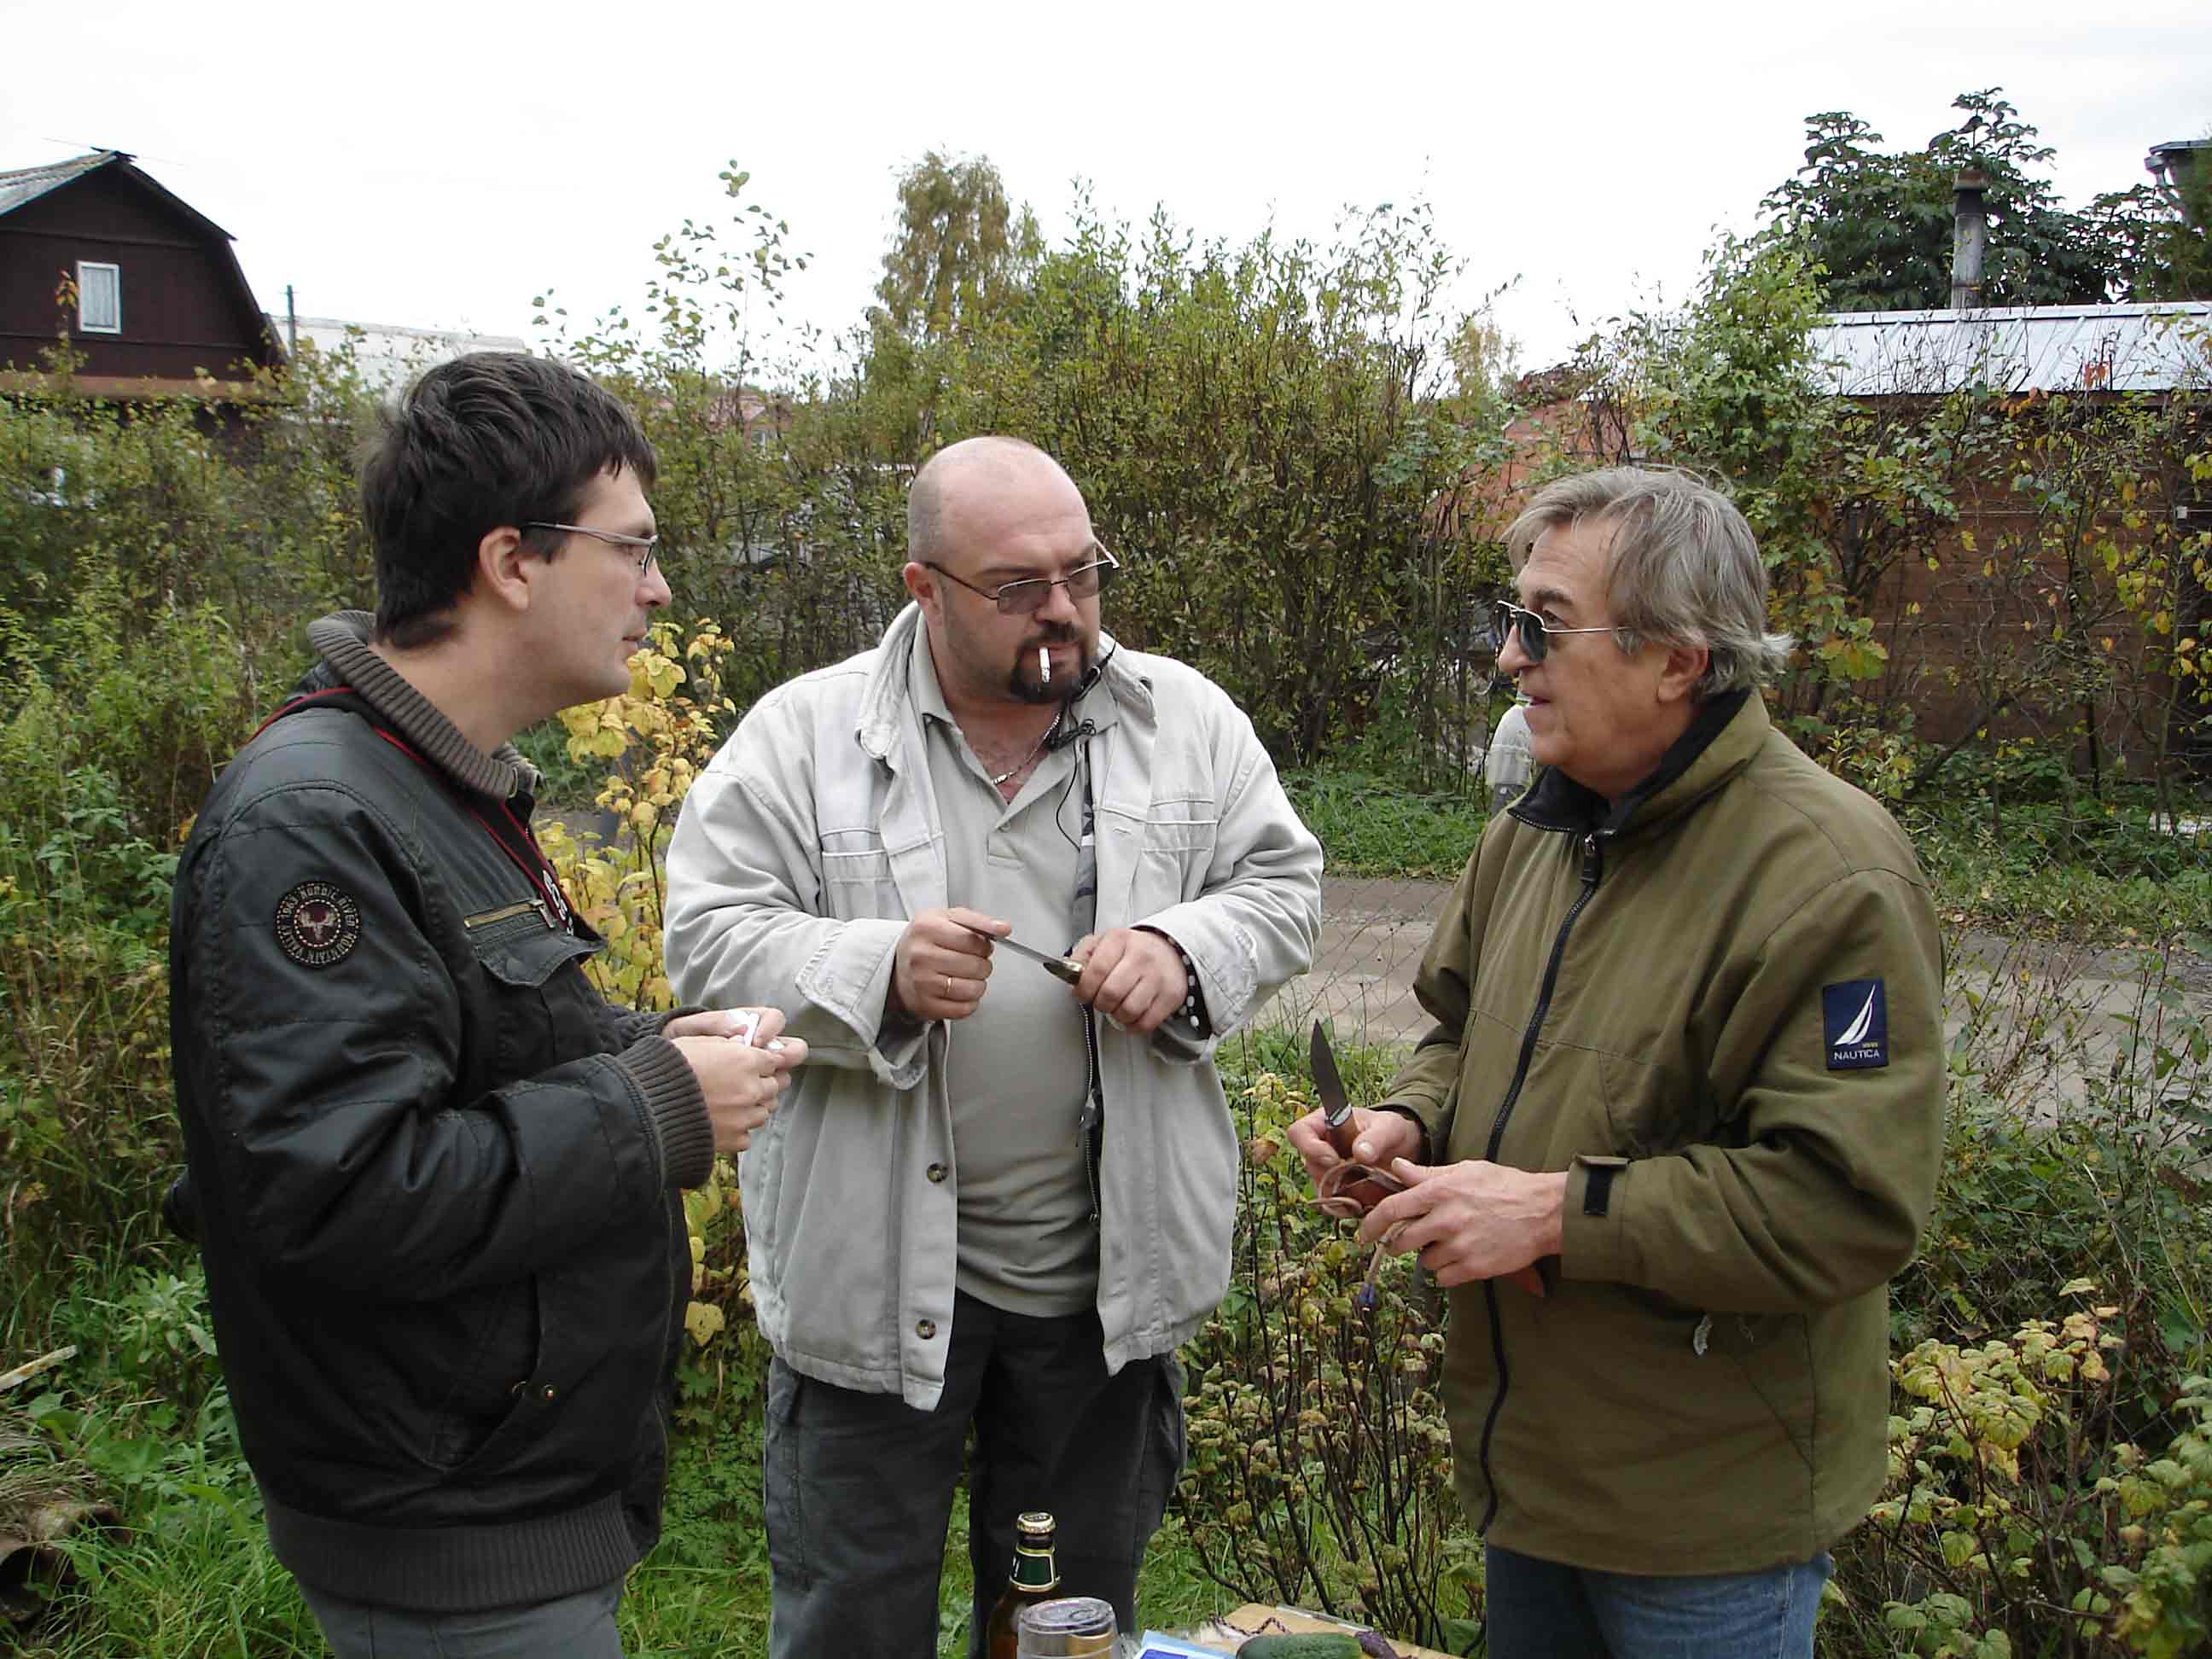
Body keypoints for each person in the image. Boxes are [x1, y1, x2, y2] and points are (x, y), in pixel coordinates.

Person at [165, 352, 806, 1659]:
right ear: (513, 561)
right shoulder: (314, 824)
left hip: (508, 1495)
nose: (658, 587)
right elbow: (344, 1192)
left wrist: (647, 1045)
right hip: (443, 1529)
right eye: (633, 549)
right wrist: (656, 1103)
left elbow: (487, 1048)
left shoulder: (439, 785)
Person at [662, 434, 1324, 1656]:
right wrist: (879, 970)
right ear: (924, 587)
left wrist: (1183, 948)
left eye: (1082, 573)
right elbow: (705, 941)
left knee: (1066, 1629)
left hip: (1098, 1292)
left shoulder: (1184, 719)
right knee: (854, 1626)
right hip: (869, 1288)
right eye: (1018, 586)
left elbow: (1283, 888)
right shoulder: (803, 735)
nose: (1062, 610)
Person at [1290, 467, 1944, 1658]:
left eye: (1546, 625)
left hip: (1706, 1523)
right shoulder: (1535, 831)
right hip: (1535, 1478)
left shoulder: (1830, 878)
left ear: (1679, 660)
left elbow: (1846, 1205)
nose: (1509, 658)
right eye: (1513, 619)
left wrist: (1552, 1214)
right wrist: (1406, 1124)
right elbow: (1459, 1035)